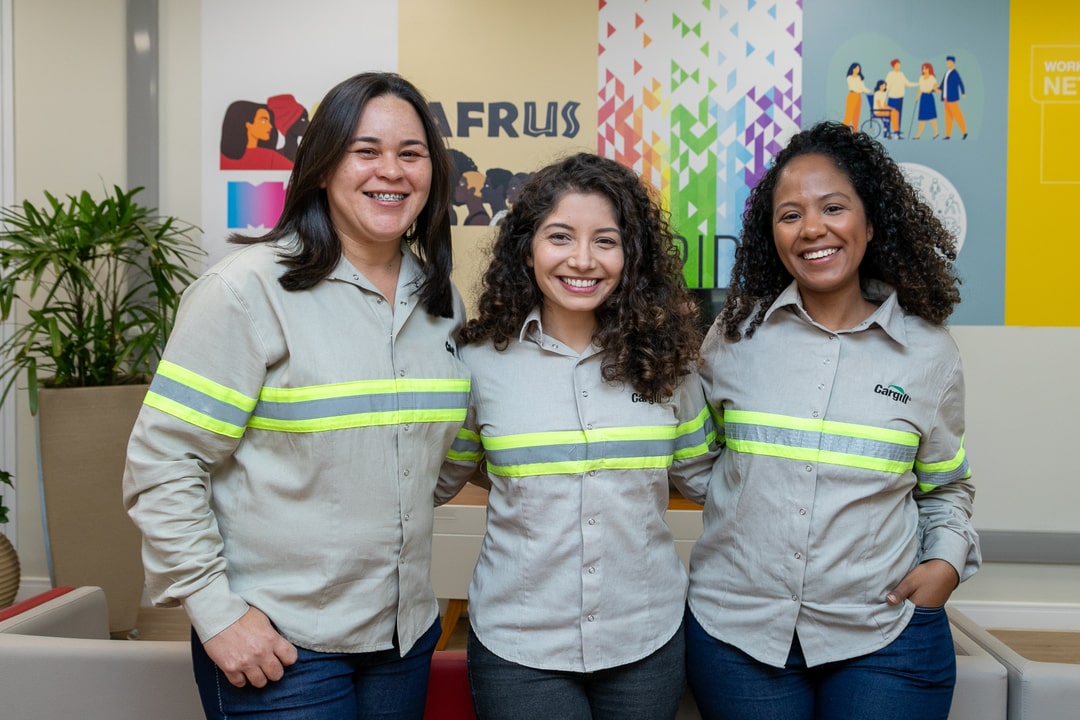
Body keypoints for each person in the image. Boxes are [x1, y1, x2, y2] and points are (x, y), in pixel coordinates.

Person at [124, 72, 471, 720]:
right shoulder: (245, 291)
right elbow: (164, 462)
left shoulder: (440, 302)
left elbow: (438, 455)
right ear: (321, 167)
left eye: (411, 153)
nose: (389, 171)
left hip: (405, 637)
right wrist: (215, 610)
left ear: (433, 173)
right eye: (365, 150)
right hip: (282, 645)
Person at [685, 121, 980, 720]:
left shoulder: (929, 352)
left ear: (870, 223)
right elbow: (696, 460)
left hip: (884, 633)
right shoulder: (734, 336)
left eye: (833, 207)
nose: (812, 228)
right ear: (772, 235)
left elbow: (946, 484)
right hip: (738, 633)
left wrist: (946, 562)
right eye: (790, 214)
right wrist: (748, 507)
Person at [438, 152, 719, 719]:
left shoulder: (670, 365)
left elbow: (709, 481)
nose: (583, 260)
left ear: (632, 254)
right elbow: (449, 472)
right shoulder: (477, 362)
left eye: (606, 241)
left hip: (645, 638)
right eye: (560, 236)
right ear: (527, 247)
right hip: (521, 644)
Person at [884, 59, 917, 138]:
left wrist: (918, 84)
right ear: (894, 65)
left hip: (900, 98)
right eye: (897, 65)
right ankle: (887, 133)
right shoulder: (890, 74)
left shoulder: (901, 74)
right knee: (889, 116)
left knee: (899, 116)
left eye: (899, 65)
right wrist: (883, 98)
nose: (899, 66)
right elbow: (886, 87)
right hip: (892, 98)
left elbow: (907, 83)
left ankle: (897, 133)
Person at [940, 55, 968, 140]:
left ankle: (964, 132)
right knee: (948, 117)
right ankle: (948, 135)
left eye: (949, 62)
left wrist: (963, 92)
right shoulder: (947, 72)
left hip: (952, 98)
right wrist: (935, 89)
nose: (948, 63)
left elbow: (960, 82)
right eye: (947, 62)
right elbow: (942, 85)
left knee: (957, 115)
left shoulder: (955, 73)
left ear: (953, 63)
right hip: (945, 98)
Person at [913, 62, 941, 140]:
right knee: (922, 117)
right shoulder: (921, 78)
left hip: (929, 97)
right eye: (923, 68)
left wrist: (935, 90)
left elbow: (936, 89)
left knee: (932, 117)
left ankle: (936, 132)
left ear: (929, 69)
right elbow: (920, 89)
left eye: (926, 68)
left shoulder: (932, 78)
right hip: (923, 98)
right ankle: (918, 134)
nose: (924, 70)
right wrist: (917, 97)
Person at [842, 62, 871, 131]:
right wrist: (862, 90)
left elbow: (863, 88)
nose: (857, 70)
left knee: (856, 115)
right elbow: (854, 88)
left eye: (858, 68)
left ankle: (855, 132)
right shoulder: (849, 77)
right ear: (852, 69)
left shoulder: (859, 77)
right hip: (852, 96)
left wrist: (871, 91)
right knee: (849, 115)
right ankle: (842, 130)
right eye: (856, 68)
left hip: (858, 96)